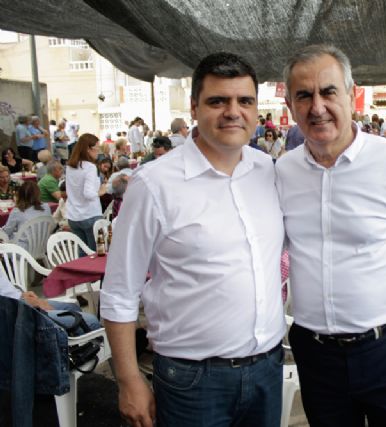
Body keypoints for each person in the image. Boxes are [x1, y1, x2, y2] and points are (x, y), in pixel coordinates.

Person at [100, 52, 285, 427]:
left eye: (244, 101)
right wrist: (129, 379)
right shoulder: (154, 185)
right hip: (193, 381)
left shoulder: (267, 170)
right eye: (218, 101)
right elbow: (119, 291)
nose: (233, 111)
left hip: (267, 368)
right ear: (195, 107)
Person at [277, 44, 386, 426]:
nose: (317, 106)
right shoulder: (282, 172)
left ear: (351, 95)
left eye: (328, 92)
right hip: (316, 353)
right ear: (290, 106)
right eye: (304, 95)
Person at [0, 274, 100, 334]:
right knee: (91, 322)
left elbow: (4, 288)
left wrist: (21, 294)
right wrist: (28, 303)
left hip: (17, 300)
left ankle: (72, 347)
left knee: (72, 307)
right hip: (12, 310)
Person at [65, 133, 107, 250]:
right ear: (88, 149)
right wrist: (101, 192)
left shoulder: (70, 166)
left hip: (74, 215)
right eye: (96, 149)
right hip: (90, 215)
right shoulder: (89, 167)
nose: (98, 152)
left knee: (82, 254)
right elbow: (88, 193)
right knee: (96, 253)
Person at [2, 181, 52, 249]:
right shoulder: (46, 207)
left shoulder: (17, 211)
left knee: (4, 237)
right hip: (43, 247)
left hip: (23, 251)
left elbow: (7, 232)